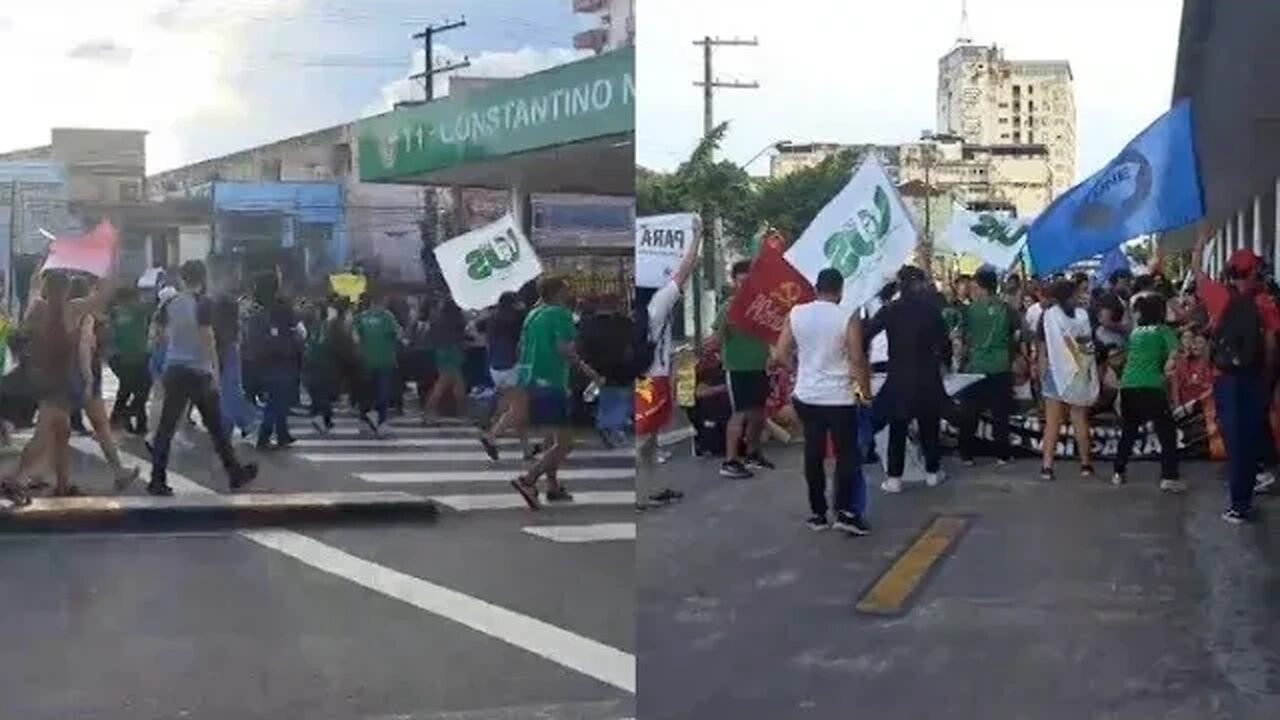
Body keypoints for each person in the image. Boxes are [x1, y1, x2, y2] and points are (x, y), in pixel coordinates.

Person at [771, 268, 872, 534]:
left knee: (813, 454)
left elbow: (780, 354)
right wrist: (866, 392)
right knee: (846, 455)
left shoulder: (797, 313)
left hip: (807, 396)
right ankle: (845, 512)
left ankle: (817, 514)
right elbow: (857, 359)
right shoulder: (847, 315)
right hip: (839, 398)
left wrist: (799, 369)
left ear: (816, 288)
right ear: (840, 291)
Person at [148, 260, 257, 496]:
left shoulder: (170, 302)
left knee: (167, 427)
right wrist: (215, 371)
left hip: (174, 370)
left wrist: (170, 343)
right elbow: (208, 338)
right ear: (202, 277)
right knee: (216, 428)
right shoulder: (203, 303)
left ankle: (157, 479)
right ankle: (235, 473)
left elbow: (155, 333)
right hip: (198, 372)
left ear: (182, 278)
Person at [0, 269, 108, 502]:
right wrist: (107, 269)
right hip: (58, 382)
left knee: (62, 431)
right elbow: (102, 297)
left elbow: (31, 295)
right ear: (66, 290)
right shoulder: (71, 310)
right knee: (45, 434)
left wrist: (41, 266)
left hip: (42, 379)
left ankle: (63, 484)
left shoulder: (38, 308)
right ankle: (15, 479)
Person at [507, 277, 603, 510]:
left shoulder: (533, 315)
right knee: (565, 442)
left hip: (530, 380)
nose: (569, 292)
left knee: (552, 438)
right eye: (566, 288)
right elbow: (565, 350)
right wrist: (590, 372)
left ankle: (552, 485)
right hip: (552, 382)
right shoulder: (561, 315)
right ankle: (529, 480)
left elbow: (520, 347)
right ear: (558, 292)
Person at [1199, 246, 1280, 523]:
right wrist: (1266, 379)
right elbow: (1270, 346)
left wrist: (1200, 244)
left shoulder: (1220, 297)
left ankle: (1240, 503)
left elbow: (1197, 275)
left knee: (1237, 443)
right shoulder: (1265, 303)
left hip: (1226, 379)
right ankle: (1251, 486)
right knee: (1250, 435)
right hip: (1253, 378)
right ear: (1254, 272)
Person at [864, 265, 949, 494]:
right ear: (920, 283)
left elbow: (867, 332)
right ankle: (932, 472)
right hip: (927, 374)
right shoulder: (932, 310)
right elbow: (945, 342)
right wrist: (945, 364)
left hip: (899, 375)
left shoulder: (891, 309)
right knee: (929, 425)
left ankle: (894, 478)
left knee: (898, 427)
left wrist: (862, 359)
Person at [635, 227, 701, 507]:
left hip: (639, 379)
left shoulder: (635, 309)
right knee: (643, 440)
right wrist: (696, 238)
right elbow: (683, 272)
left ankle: (652, 488)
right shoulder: (656, 306)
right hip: (654, 381)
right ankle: (638, 495)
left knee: (649, 442)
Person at [1111, 292, 1182, 491]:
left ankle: (1118, 471)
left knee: (1129, 430)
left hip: (1128, 385)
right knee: (1166, 433)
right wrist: (1167, 369)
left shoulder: (1136, 332)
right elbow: (1174, 354)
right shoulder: (1163, 331)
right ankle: (1169, 476)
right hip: (1151, 385)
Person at [714, 260, 775, 479]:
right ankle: (730, 461)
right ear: (735, 282)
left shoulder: (761, 305)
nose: (746, 284)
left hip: (759, 366)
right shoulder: (728, 307)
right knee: (739, 414)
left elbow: (771, 332)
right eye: (742, 281)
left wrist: (772, 356)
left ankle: (753, 453)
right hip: (737, 368)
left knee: (758, 414)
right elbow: (717, 338)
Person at [956, 265, 1021, 466]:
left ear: (983, 288)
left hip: (975, 367)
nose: (972, 290)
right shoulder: (1007, 309)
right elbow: (1018, 336)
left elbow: (961, 338)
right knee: (1000, 413)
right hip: (1001, 366)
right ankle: (1002, 454)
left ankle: (966, 454)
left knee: (970, 411)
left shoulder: (968, 310)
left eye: (975, 286)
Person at [1036, 278, 1099, 480]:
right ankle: (1086, 464)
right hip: (1079, 372)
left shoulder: (1047, 317)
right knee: (1079, 419)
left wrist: (1041, 373)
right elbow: (1088, 345)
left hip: (1055, 372)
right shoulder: (1083, 316)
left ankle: (1047, 466)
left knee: (1052, 422)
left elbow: (1043, 350)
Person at [244, 273, 300, 450]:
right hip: (281, 357)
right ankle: (265, 435)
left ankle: (283, 434)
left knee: (277, 397)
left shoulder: (255, 308)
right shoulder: (281, 307)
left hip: (260, 359)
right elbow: (295, 329)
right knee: (277, 398)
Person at [478, 292, 530, 459]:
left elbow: (477, 327)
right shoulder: (515, 319)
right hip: (512, 366)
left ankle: (526, 449)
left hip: (496, 367)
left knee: (516, 409)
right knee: (518, 410)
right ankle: (491, 437)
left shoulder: (492, 318)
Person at [354, 292, 403, 436]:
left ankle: (364, 421)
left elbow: (354, 338)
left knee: (366, 393)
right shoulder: (387, 317)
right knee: (383, 393)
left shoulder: (360, 318)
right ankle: (381, 422)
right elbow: (399, 334)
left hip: (365, 361)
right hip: (384, 360)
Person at [106, 286, 152, 435]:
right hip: (135, 357)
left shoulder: (114, 313)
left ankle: (127, 421)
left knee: (127, 388)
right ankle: (125, 416)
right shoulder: (139, 310)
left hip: (119, 358)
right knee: (141, 390)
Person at [212, 293, 257, 443]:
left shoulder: (217, 325)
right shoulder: (233, 327)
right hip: (229, 354)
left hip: (219, 358)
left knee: (225, 394)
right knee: (231, 392)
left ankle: (229, 429)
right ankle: (246, 424)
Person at [422, 299, 468, 423]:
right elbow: (464, 334)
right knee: (448, 384)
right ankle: (429, 411)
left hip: (441, 352)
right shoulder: (457, 319)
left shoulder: (437, 319)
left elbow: (430, 336)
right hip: (453, 351)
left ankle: (460, 412)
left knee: (452, 383)